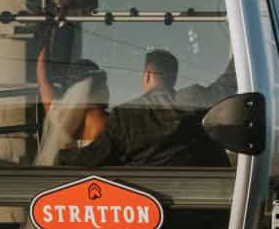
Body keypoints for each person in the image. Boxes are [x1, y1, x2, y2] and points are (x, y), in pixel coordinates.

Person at [60, 49, 228, 168]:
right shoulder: (196, 99)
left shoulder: (124, 115)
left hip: (144, 205)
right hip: (194, 203)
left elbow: (96, 156)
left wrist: (66, 154)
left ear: (147, 74)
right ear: (174, 77)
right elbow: (228, 84)